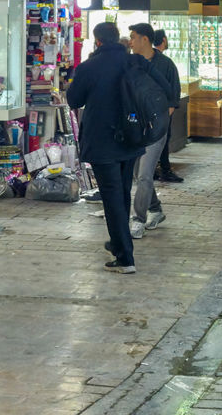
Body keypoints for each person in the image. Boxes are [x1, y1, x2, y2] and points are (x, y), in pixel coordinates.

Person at [67, 21, 143, 274]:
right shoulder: (134, 62)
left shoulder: (89, 67)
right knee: (121, 192)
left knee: (111, 197)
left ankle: (125, 257)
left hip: (102, 140)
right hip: (131, 138)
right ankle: (119, 242)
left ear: (97, 41)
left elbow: (74, 100)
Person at [128, 23, 180, 238]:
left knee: (145, 174)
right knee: (138, 174)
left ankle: (138, 219)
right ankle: (156, 209)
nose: (130, 42)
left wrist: (157, 124)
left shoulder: (166, 65)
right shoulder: (131, 65)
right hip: (134, 128)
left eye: (133, 37)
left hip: (155, 130)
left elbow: (172, 100)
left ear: (145, 39)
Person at [153, 30, 185, 182]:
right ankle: (164, 170)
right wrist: (171, 108)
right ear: (164, 40)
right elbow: (175, 87)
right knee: (163, 139)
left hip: (148, 109)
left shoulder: (145, 61)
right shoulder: (166, 62)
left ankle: (154, 169)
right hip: (161, 109)